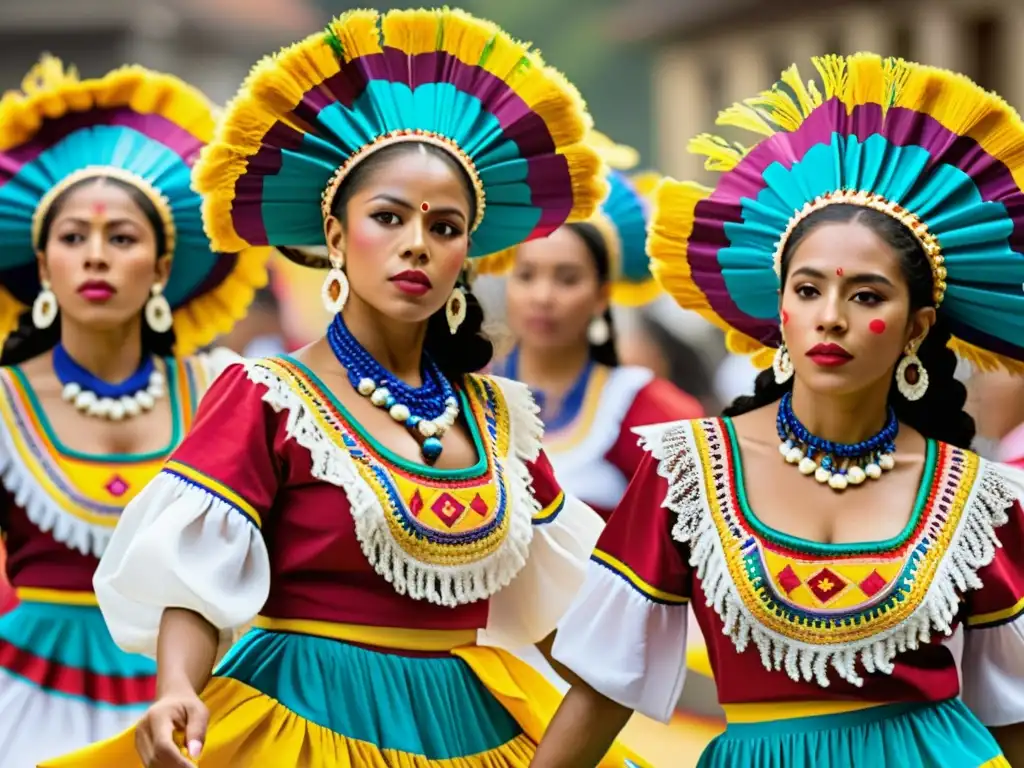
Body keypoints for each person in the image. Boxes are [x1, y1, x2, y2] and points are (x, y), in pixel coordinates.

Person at [45, 9, 649, 768]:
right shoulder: (268, 394)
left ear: (467, 253)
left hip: (477, 729)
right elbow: (193, 586)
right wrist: (176, 689)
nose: (416, 245)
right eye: (388, 218)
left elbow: (590, 638)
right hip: (300, 723)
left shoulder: (500, 420)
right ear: (335, 236)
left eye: (445, 227)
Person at [533, 53, 1024, 767]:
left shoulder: (978, 500)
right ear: (780, 310)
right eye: (808, 290)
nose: (831, 317)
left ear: (916, 328)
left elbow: (1012, 716)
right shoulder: (685, 475)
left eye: (865, 296)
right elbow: (603, 690)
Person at [0, 56, 270, 766]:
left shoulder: (225, 391)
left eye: (121, 238)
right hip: (25, 701)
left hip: (202, 698)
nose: (96, 257)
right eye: (72, 238)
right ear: (43, 264)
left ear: (160, 267)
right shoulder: (3, 399)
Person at [497, 134, 703, 520]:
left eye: (567, 278)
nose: (543, 296)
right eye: (526, 276)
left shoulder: (651, 413)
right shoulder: (460, 399)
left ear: (602, 295)